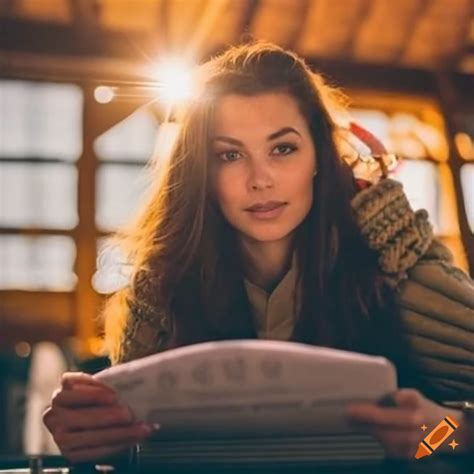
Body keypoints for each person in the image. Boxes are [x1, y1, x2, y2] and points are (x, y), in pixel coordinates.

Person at [43, 41, 474, 463]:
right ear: (201, 172)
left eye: (283, 148)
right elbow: (132, 453)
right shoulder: (160, 295)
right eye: (230, 155)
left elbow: (454, 440)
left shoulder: (398, 270)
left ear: (320, 156)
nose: (259, 179)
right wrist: (95, 442)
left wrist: (441, 434)